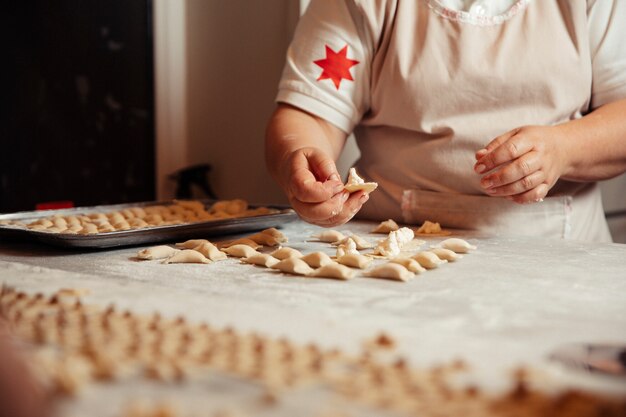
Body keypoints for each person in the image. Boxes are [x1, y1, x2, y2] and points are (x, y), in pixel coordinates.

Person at [265, 0, 626, 242]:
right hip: (394, 250)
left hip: (563, 255)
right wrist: (299, 158)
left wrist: (563, 148)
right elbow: (310, 114)